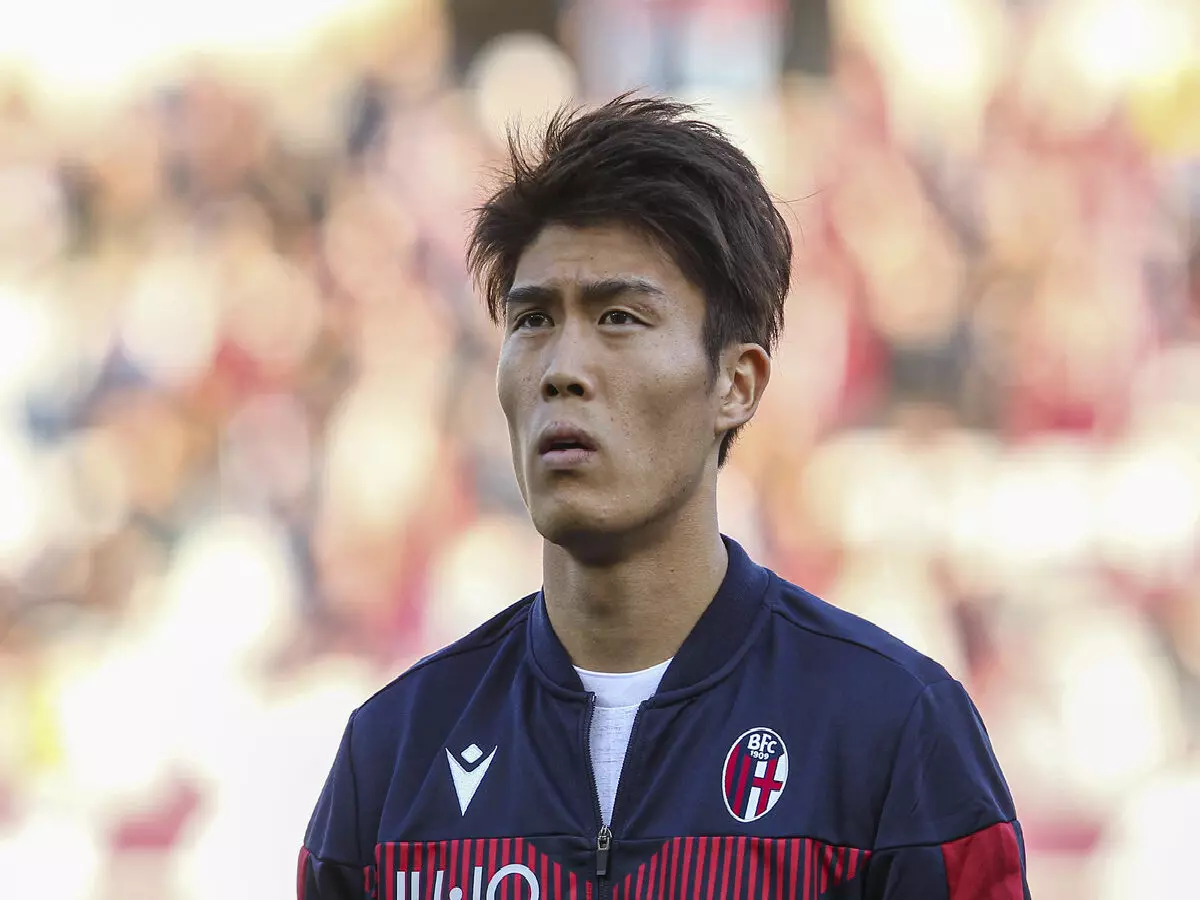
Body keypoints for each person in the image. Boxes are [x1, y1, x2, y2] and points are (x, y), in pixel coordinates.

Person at [299, 95, 1031, 900]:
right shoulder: (393, 754)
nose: (561, 368)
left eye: (618, 317)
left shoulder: (894, 732)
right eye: (533, 320)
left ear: (735, 384)